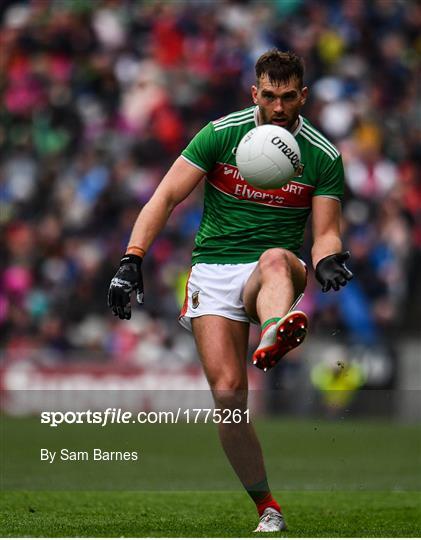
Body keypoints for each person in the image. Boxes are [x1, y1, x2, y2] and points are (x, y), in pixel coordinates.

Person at [107, 49, 353, 533]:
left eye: (288, 97)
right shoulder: (221, 134)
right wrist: (131, 258)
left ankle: (274, 331)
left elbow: (326, 230)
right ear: (253, 93)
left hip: (274, 270)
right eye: (269, 95)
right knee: (228, 395)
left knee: (278, 259)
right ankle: (267, 506)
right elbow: (166, 195)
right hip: (214, 271)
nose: (279, 107)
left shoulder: (323, 155)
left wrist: (326, 259)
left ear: (302, 95)